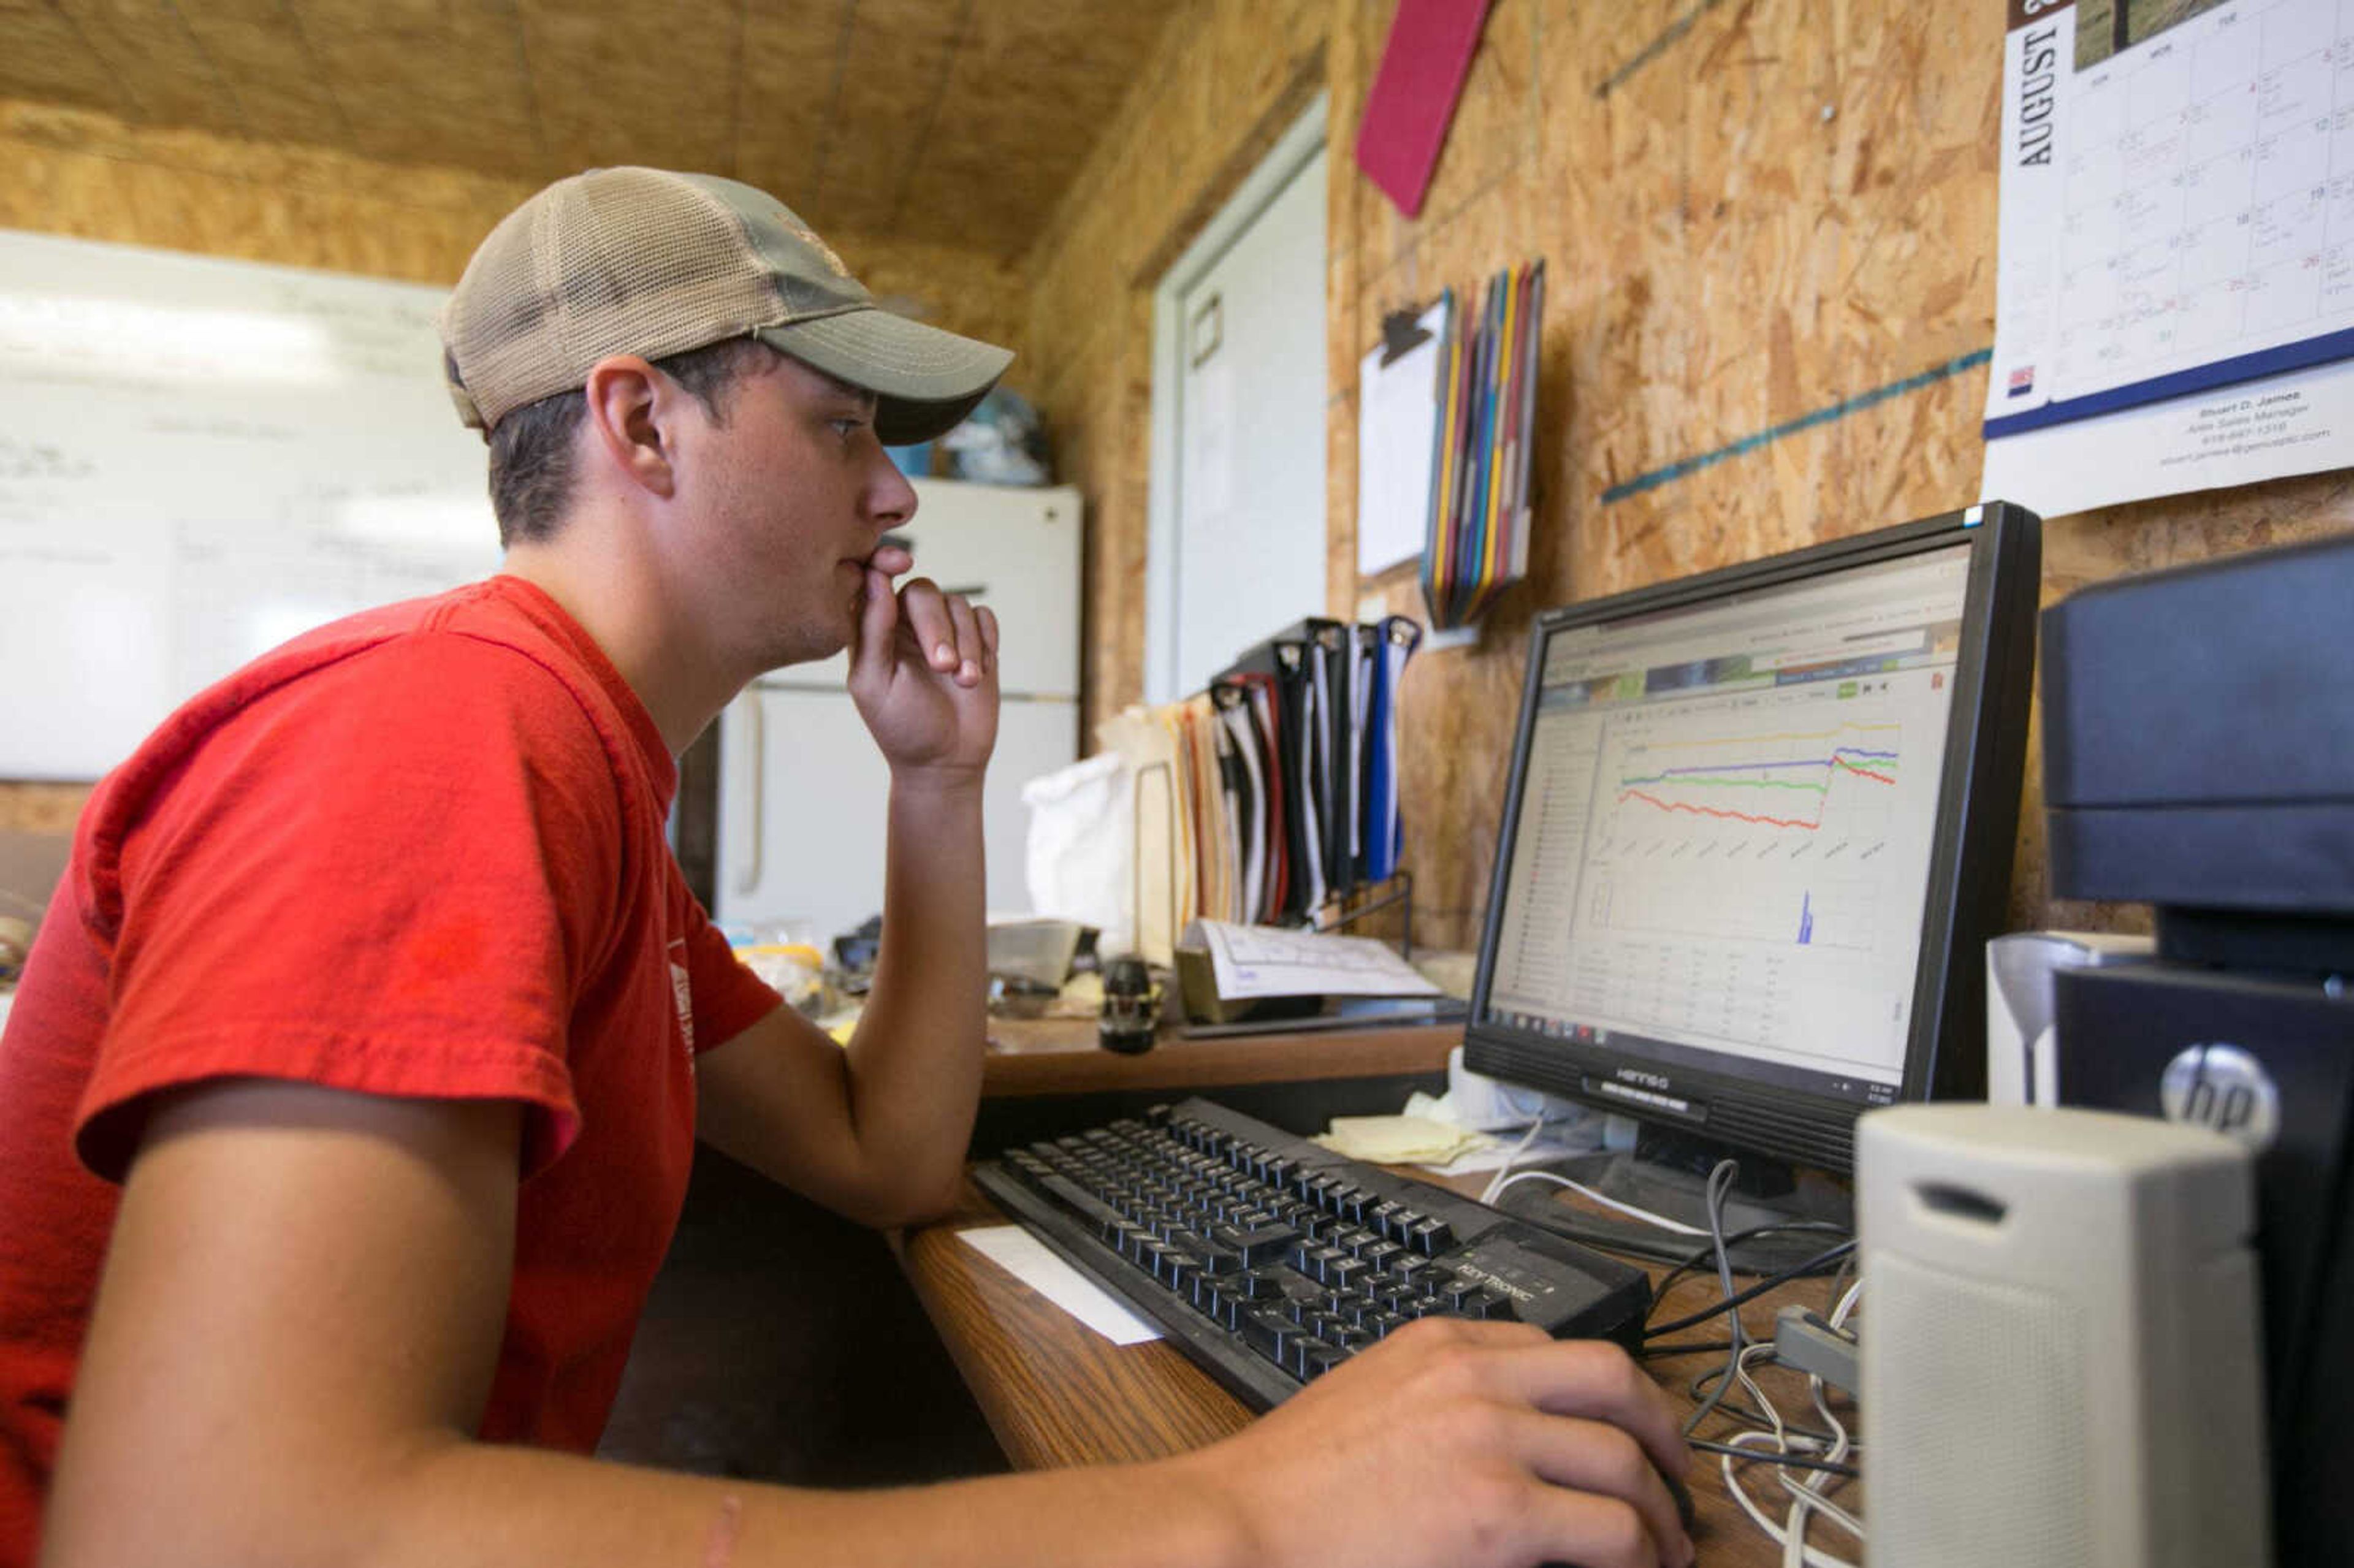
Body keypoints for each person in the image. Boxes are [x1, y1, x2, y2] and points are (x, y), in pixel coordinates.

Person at [0, 166, 1696, 1568]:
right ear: (641, 422)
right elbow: (211, 1531)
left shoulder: (583, 785)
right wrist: (1235, 1514)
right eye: (838, 430)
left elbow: (886, 1157)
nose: (897, 495)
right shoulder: (441, 737)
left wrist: (937, 787)